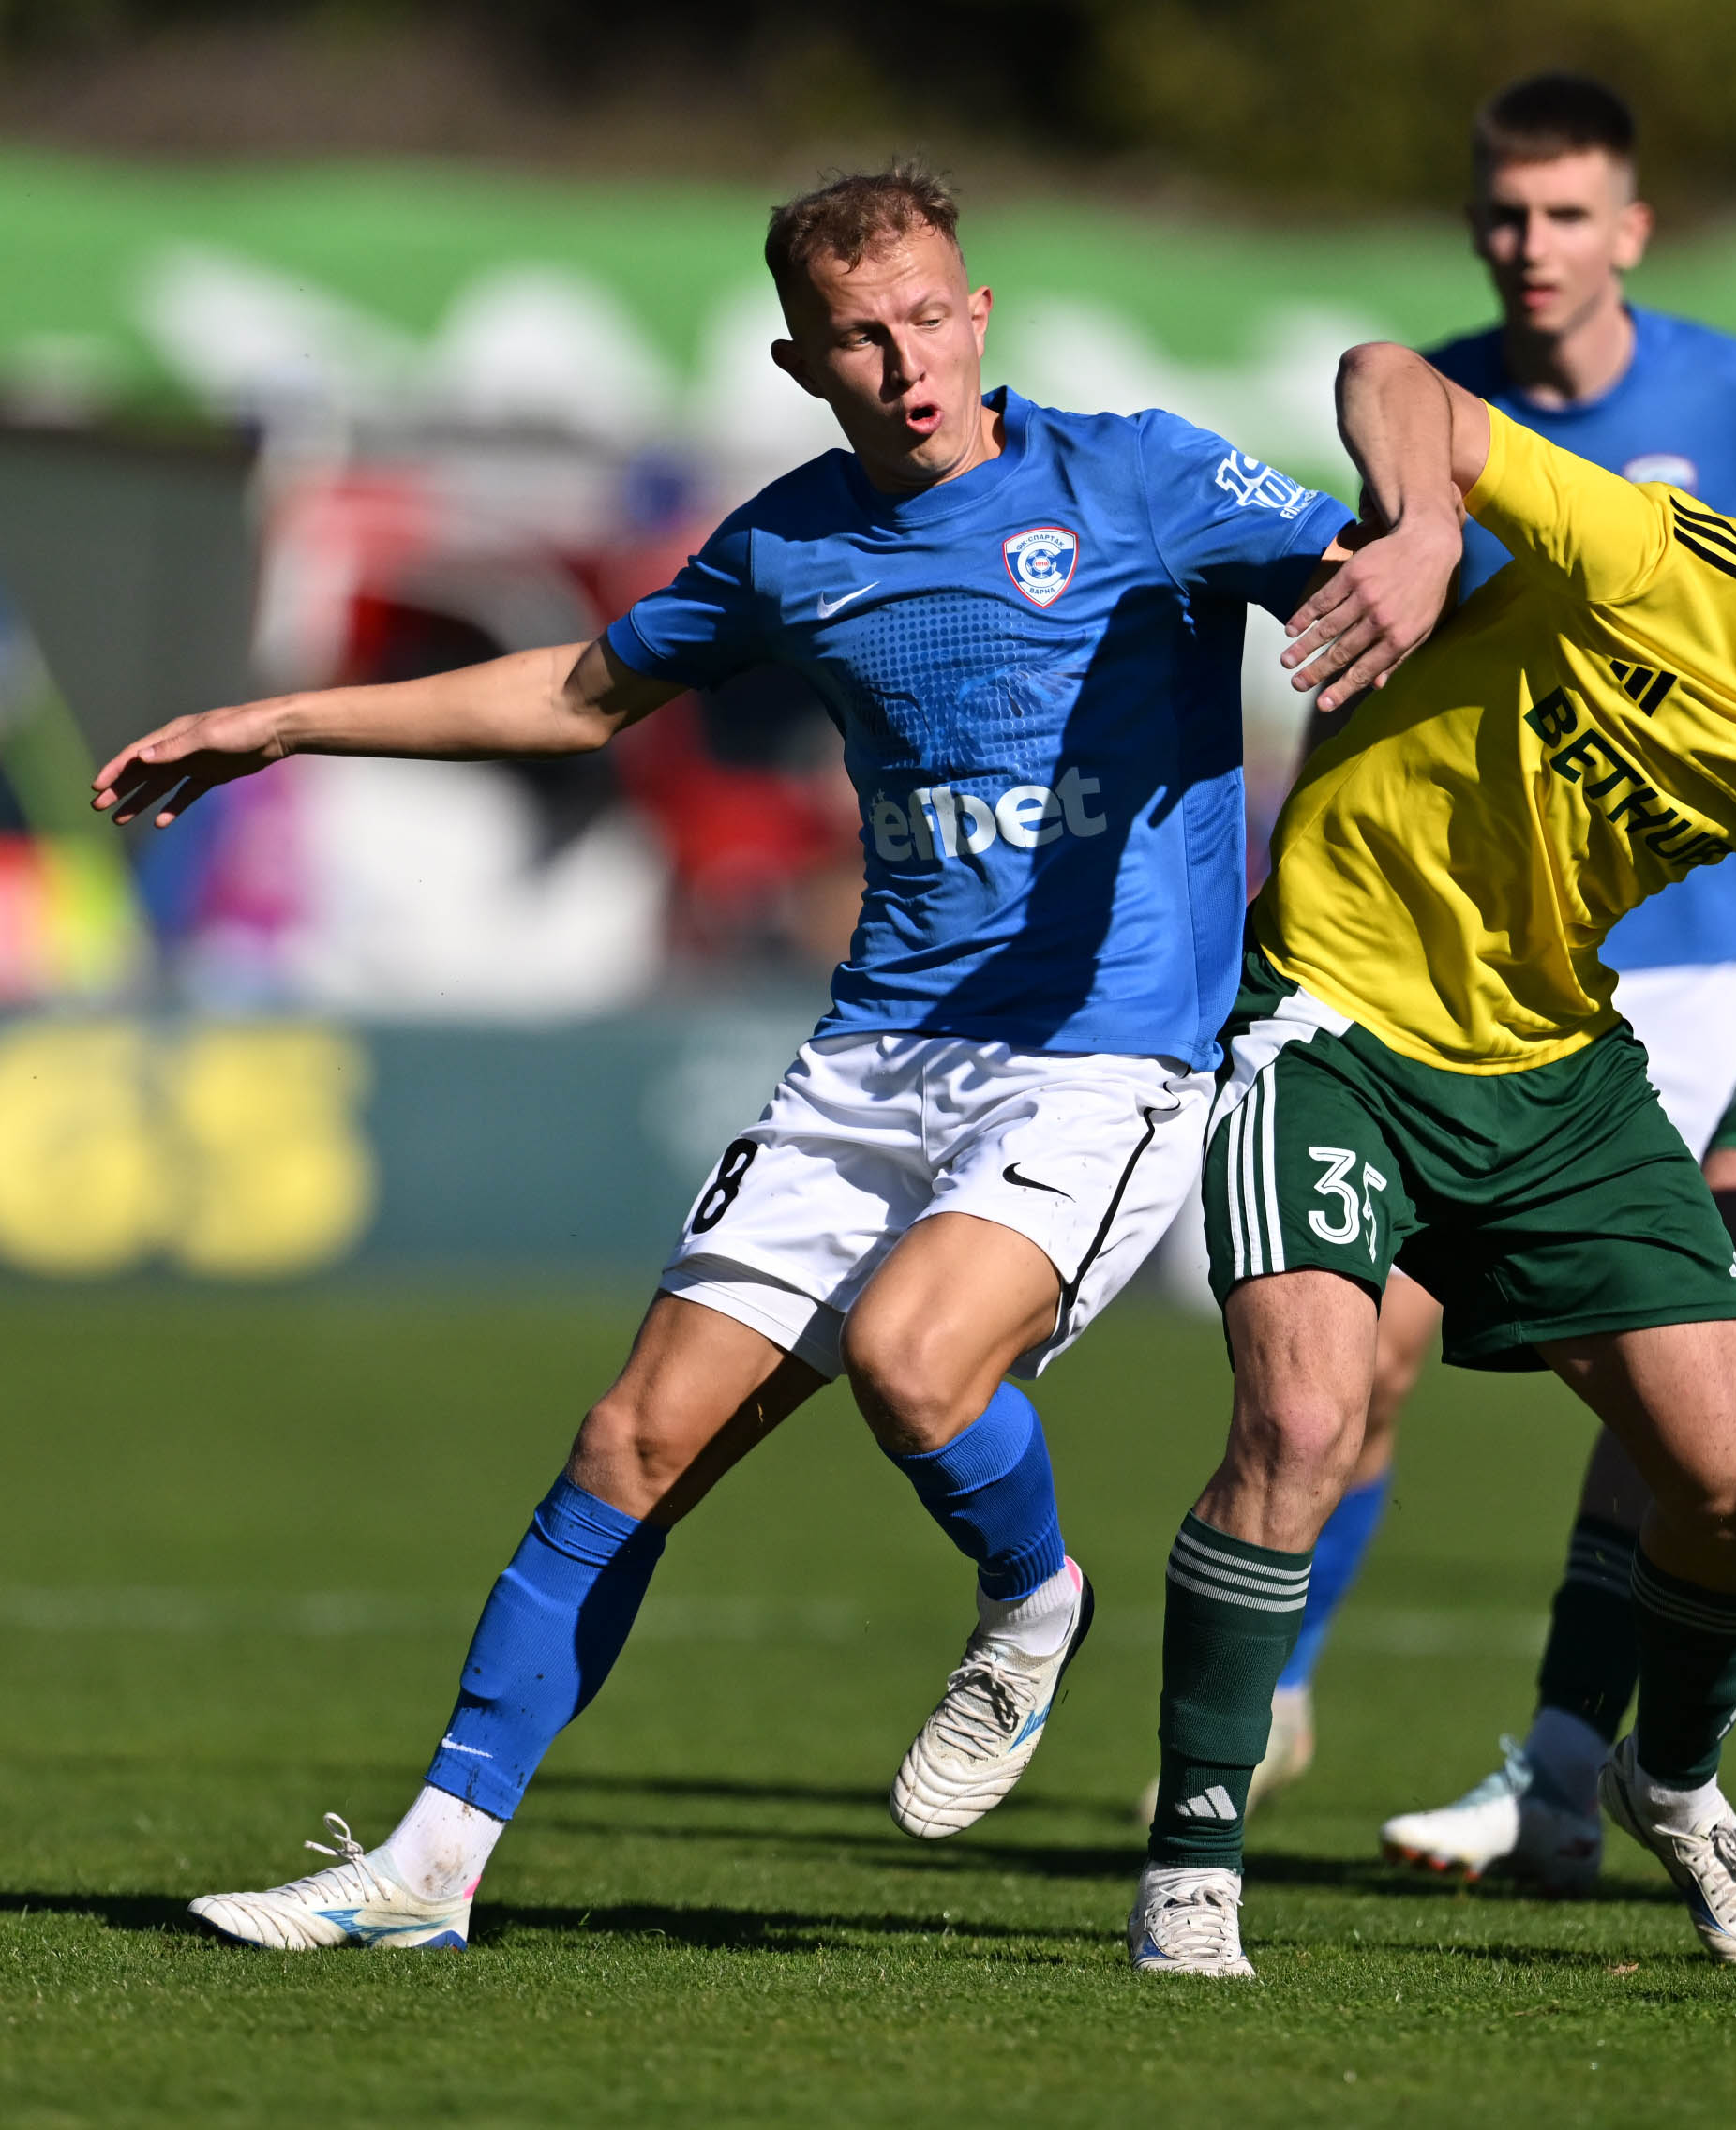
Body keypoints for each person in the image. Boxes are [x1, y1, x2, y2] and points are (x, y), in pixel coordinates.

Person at [97, 164, 1379, 1950]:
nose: (906, 366)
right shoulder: (790, 547)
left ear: (978, 313)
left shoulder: (1140, 477)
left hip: (1097, 1061)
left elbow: (1385, 583)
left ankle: (1033, 1596)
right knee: (630, 1441)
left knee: (913, 1361)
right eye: (860, 338)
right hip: (874, 1055)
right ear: (801, 364)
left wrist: (1425, 567)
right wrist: (287, 719)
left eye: (927, 319)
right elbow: (578, 695)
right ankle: (429, 1870)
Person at [1117, 342, 1736, 1975]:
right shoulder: (1655, 557)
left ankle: (1664, 1777)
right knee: (1306, 1420)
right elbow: (1392, 377)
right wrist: (1427, 529)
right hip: (1334, 1015)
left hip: (1552, 1069)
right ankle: (1192, 1858)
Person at [1162, 74, 1736, 1832]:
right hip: (1433, 973)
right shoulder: (1435, 410)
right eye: (1508, 213)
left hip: (1674, 969)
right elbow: (1363, 644)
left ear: (1632, 229)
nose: (1533, 245)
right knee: (1362, 1362)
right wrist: (1294, 851)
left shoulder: (1731, 399)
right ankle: (1286, 1688)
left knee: (1721, 1379)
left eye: (1567, 214)